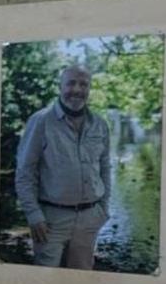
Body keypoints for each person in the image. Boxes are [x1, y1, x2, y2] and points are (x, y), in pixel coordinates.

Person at [14, 64, 110, 269]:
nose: (77, 90)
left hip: (89, 217)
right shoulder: (40, 121)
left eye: (83, 84)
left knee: (82, 281)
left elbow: (105, 169)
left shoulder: (100, 124)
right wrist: (33, 214)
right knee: (45, 283)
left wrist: (104, 208)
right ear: (60, 86)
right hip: (51, 221)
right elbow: (25, 172)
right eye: (71, 83)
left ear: (89, 89)